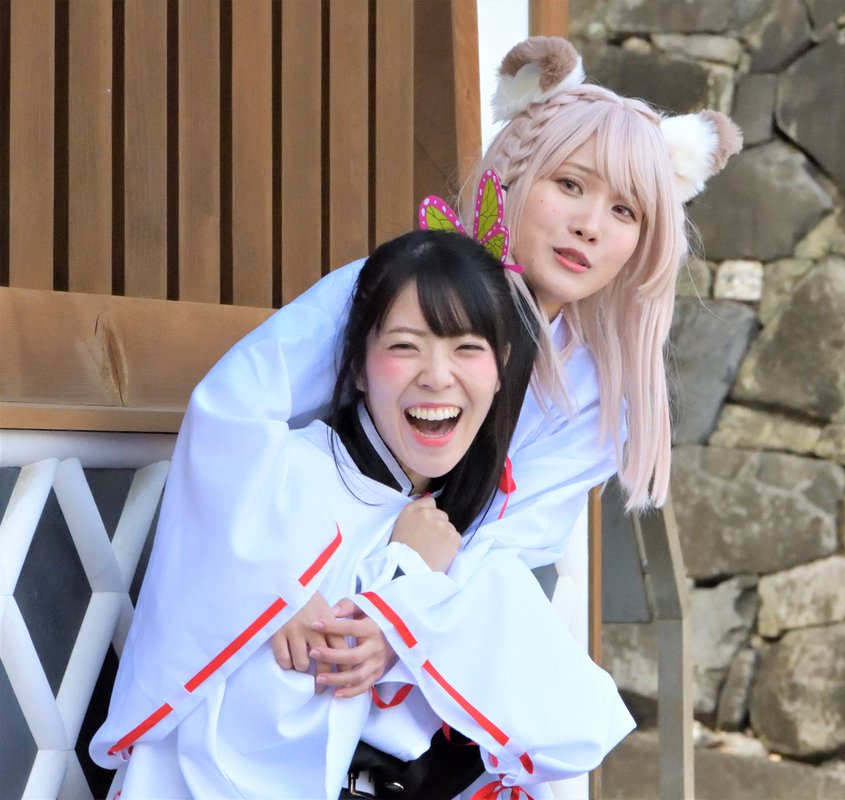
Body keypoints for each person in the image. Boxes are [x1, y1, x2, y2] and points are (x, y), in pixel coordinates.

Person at [91, 35, 741, 797]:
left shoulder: (598, 392)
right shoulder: (401, 286)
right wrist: (279, 589)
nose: (590, 224)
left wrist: (398, 623)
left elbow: (505, 541)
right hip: (309, 566)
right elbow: (237, 403)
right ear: (517, 170)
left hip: (428, 596)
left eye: (624, 210)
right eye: (570, 184)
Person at [92, 228, 631, 798]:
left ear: (501, 371)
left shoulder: (458, 541)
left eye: (467, 349)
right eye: (405, 346)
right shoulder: (281, 490)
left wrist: (410, 613)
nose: (437, 375)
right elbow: (268, 730)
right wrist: (400, 579)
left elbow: (570, 730)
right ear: (356, 366)